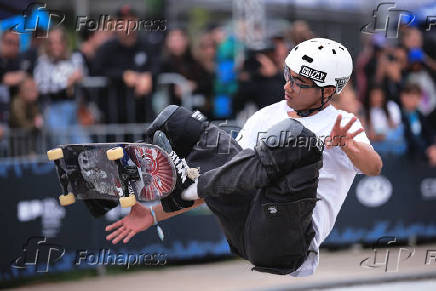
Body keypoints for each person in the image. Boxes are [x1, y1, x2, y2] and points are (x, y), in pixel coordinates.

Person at [105, 38, 383, 276]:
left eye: (300, 82)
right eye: (288, 75)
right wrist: (152, 215)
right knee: (177, 121)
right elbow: (230, 174)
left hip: (289, 242)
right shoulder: (266, 115)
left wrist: (347, 145)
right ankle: (112, 180)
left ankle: (188, 188)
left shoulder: (342, 123)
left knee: (294, 137)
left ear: (328, 91)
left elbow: (373, 166)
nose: (288, 86)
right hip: (243, 228)